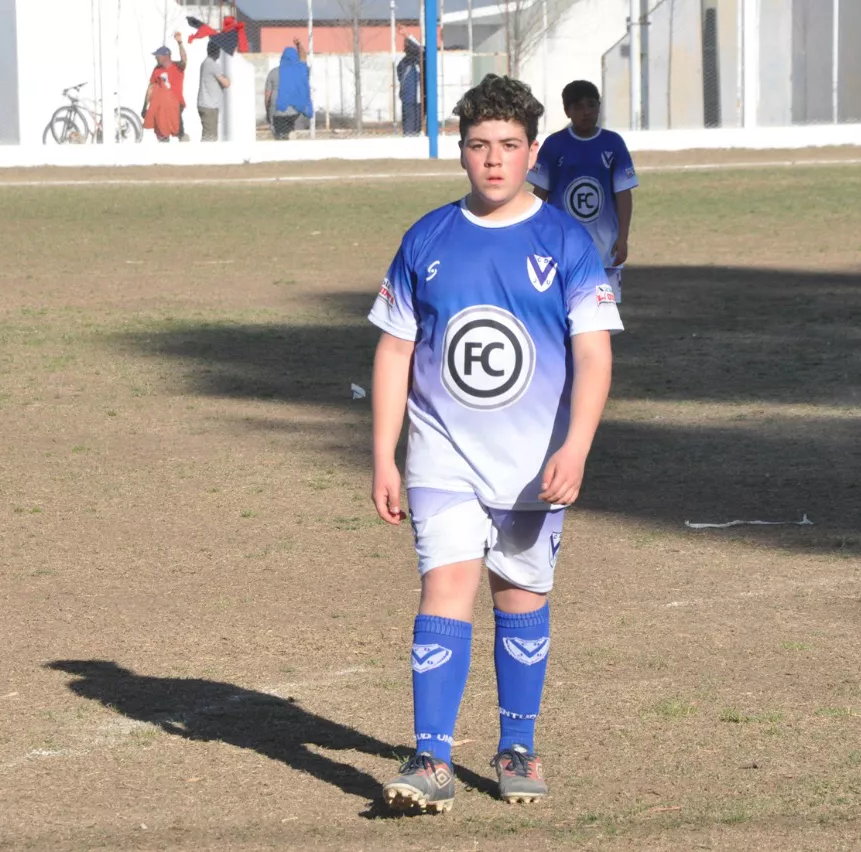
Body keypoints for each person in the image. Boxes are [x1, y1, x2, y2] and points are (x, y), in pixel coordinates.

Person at [368, 74, 621, 814]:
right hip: (441, 455)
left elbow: (595, 356)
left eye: (510, 146)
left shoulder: (565, 241)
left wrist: (575, 448)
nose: (494, 160)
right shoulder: (428, 238)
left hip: (531, 464)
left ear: (533, 151)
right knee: (443, 587)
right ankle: (432, 760)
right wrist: (385, 453)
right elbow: (393, 352)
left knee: (519, 594)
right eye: (479, 146)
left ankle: (516, 747)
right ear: (460, 151)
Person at [528, 81, 638, 303]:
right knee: (565, 310)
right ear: (567, 111)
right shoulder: (554, 145)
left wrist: (623, 237)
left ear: (599, 106)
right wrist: (532, 233)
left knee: (605, 315)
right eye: (578, 107)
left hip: (606, 247)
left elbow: (624, 194)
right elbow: (540, 193)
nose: (586, 112)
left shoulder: (613, 143)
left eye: (591, 105)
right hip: (562, 245)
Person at [142, 33, 187, 142]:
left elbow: (184, 59)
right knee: (162, 133)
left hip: (176, 104)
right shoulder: (157, 69)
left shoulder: (178, 66)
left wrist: (180, 43)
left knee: (179, 132)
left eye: (158, 56)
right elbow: (151, 88)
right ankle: (164, 149)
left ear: (165, 56)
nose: (156, 58)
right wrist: (144, 107)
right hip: (161, 108)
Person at [264, 41, 313, 140]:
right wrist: (299, 44)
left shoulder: (273, 72)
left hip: (278, 112)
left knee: (280, 136)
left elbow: (267, 95)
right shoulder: (301, 70)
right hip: (298, 112)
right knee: (296, 133)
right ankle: (292, 136)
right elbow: (304, 58)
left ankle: (283, 137)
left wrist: (268, 111)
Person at [196, 41, 230, 142]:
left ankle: (205, 156)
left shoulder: (205, 63)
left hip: (205, 103)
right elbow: (226, 83)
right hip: (209, 105)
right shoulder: (212, 65)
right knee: (210, 137)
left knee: (208, 135)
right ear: (217, 52)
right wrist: (227, 78)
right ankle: (205, 156)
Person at [396, 36, 422, 136]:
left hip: (414, 98)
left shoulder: (417, 62)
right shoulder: (407, 63)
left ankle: (412, 134)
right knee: (411, 124)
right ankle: (410, 136)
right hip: (410, 98)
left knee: (414, 123)